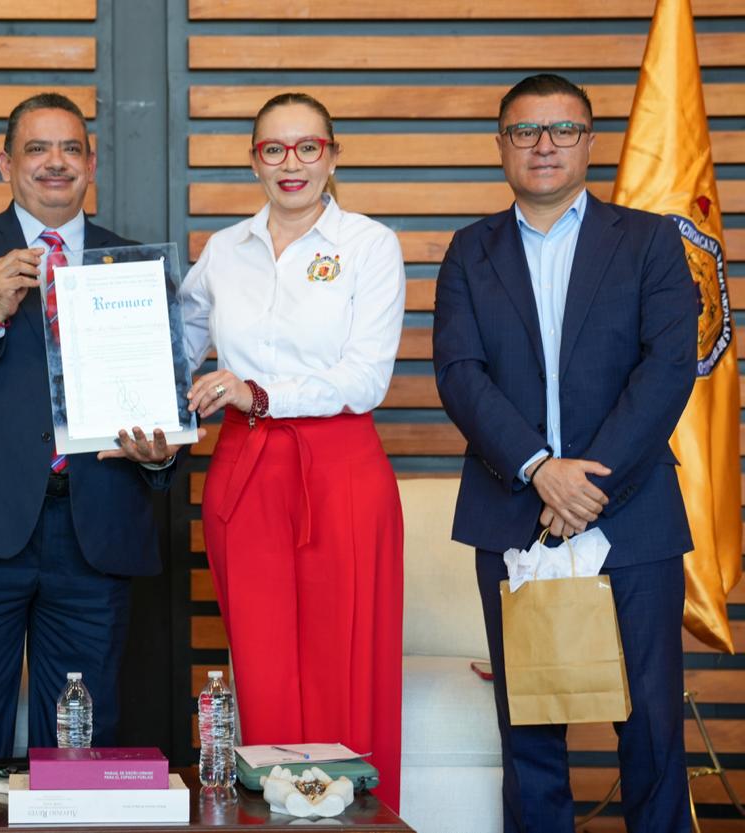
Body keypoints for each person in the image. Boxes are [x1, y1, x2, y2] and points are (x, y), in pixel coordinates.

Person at [0, 91, 193, 833]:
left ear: (91, 163)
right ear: (6, 163)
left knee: (83, 734)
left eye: (71, 148)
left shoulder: (132, 263)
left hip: (94, 530)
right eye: (37, 148)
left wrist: (159, 456)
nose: (56, 162)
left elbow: (161, 396)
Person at [433, 73, 697, 833]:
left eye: (563, 129)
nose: (544, 145)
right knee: (530, 729)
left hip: (633, 514)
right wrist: (539, 469)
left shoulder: (649, 240)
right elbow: (459, 372)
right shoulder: (470, 251)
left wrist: (588, 483)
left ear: (589, 142)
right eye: (525, 131)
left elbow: (667, 366)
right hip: (512, 509)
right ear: (502, 145)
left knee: (650, 724)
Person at [179, 92, 407, 810]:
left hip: (340, 472)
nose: (292, 163)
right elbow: (176, 350)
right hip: (246, 470)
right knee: (261, 664)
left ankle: (351, 818)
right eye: (273, 149)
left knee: (345, 663)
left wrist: (258, 392)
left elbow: (365, 378)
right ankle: (269, 817)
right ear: (254, 160)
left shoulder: (369, 245)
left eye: (309, 147)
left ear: (333, 156)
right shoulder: (224, 251)